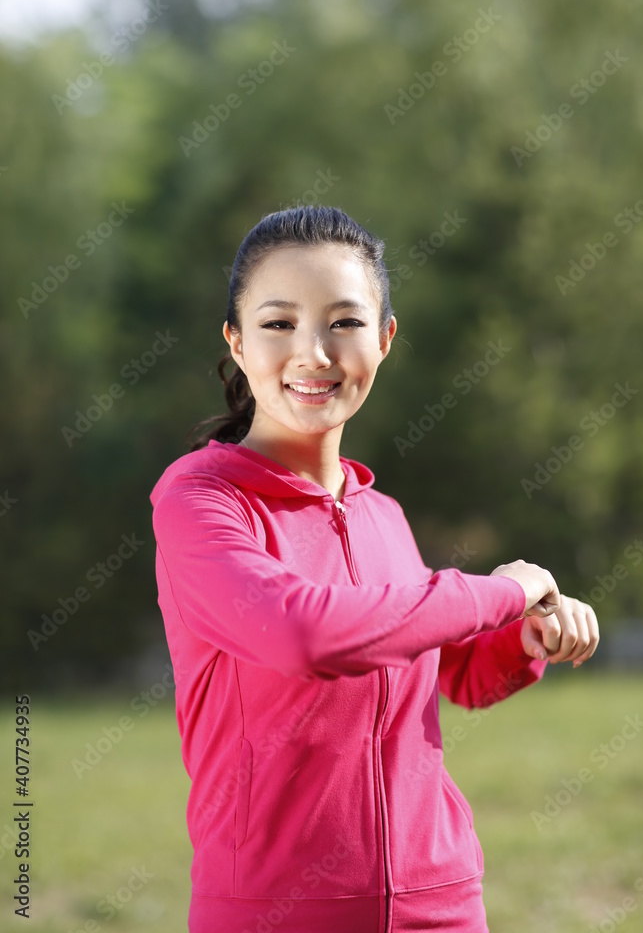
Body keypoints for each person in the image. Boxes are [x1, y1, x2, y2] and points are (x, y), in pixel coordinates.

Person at [149, 205, 599, 933]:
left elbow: (452, 672)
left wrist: (521, 639)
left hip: (442, 904)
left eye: (344, 322)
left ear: (385, 340)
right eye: (277, 323)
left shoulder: (380, 512)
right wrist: (503, 590)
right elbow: (303, 636)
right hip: (275, 912)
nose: (313, 353)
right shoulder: (199, 501)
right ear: (235, 343)